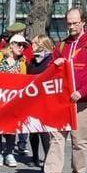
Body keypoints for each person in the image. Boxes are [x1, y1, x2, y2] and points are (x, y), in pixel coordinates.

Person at [38, 8, 87, 173]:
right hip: (62, 102)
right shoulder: (62, 46)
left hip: (82, 103)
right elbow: (50, 73)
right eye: (68, 23)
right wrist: (56, 64)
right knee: (56, 139)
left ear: (83, 21)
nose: (71, 26)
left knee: (80, 142)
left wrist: (82, 92)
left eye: (75, 23)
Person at [0, 34, 29, 168]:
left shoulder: (22, 61)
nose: (22, 48)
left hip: (13, 100)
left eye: (24, 46)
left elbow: (24, 80)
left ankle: (9, 152)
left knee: (11, 126)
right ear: (11, 44)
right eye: (19, 44)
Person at [28, 35, 54, 165]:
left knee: (44, 131)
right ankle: (34, 157)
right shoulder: (33, 60)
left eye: (34, 43)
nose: (31, 45)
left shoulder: (50, 59)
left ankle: (48, 158)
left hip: (46, 99)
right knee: (33, 131)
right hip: (32, 99)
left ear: (42, 44)